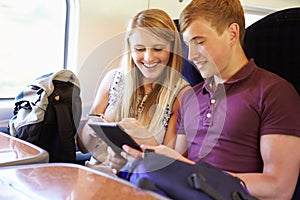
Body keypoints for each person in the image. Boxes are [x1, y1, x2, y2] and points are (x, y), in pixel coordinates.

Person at [119, 0, 300, 199]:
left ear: (232, 33)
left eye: (200, 41)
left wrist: (193, 172)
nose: (193, 55)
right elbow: (178, 162)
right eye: (188, 45)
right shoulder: (190, 97)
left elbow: (279, 189)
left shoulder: (274, 92)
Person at [77, 8, 190, 171]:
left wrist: (143, 143)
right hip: (94, 172)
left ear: (172, 49)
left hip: (138, 180)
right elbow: (84, 147)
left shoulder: (181, 96)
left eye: (158, 49)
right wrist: (91, 130)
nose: (148, 58)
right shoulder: (112, 79)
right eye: (140, 49)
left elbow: (171, 166)